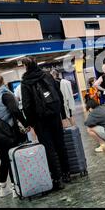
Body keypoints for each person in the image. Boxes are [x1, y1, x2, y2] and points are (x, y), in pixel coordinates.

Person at [21, 57, 70, 190]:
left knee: (48, 149)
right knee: (60, 144)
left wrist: (30, 124)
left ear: (25, 67)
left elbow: (27, 105)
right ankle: (67, 173)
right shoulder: (47, 76)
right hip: (54, 115)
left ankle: (57, 178)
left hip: (40, 120)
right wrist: (62, 115)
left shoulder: (25, 82)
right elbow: (58, 95)